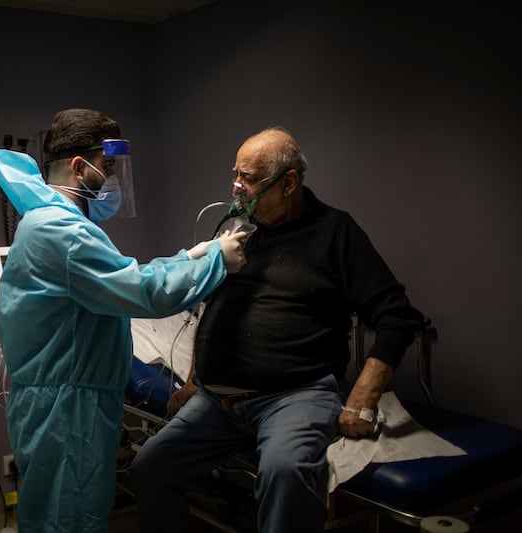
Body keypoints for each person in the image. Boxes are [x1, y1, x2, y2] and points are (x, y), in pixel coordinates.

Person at [131, 126, 424, 532]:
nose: (236, 188)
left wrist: (364, 396)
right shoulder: (237, 230)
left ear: (289, 183)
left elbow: (397, 316)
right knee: (151, 466)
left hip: (295, 395)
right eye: (235, 174)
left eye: (248, 179)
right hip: (218, 400)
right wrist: (197, 378)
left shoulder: (336, 233)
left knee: (285, 471)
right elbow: (211, 305)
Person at [0, 108, 248, 532]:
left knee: (58, 515)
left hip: (63, 402)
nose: (109, 179)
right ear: (77, 166)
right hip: (69, 410)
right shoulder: (61, 231)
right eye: (106, 168)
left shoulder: (50, 221)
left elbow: (122, 275)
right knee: (69, 521)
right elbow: (142, 292)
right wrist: (216, 261)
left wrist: (190, 257)